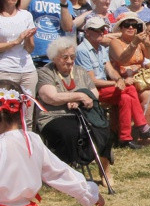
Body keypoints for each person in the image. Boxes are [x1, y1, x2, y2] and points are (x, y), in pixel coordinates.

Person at [75, 17, 150, 149]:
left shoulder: (99, 48)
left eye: (102, 29)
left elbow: (110, 70)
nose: (101, 32)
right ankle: (143, 128)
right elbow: (92, 81)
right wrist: (118, 82)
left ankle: (125, 138)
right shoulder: (82, 50)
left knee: (126, 97)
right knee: (130, 90)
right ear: (87, 32)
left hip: (109, 85)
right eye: (96, 30)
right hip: (91, 90)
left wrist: (118, 79)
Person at [35, 37, 112, 180]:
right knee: (70, 132)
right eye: (65, 57)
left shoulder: (80, 71)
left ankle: (105, 170)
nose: (70, 61)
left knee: (103, 128)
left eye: (72, 57)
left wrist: (79, 101)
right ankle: (65, 173)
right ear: (54, 58)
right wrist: (78, 96)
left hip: (82, 113)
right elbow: (51, 97)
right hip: (54, 115)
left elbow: (94, 93)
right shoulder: (45, 72)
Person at [18, 0, 74, 67]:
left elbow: (67, 27)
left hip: (57, 57)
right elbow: (19, 9)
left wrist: (63, 3)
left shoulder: (63, 0)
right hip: (34, 56)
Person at [0, 0, 37, 129]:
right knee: (6, 114)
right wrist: (16, 41)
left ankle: (25, 147)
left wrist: (28, 39)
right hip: (6, 69)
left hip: (27, 70)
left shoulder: (26, 15)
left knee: (27, 114)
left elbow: (30, 48)